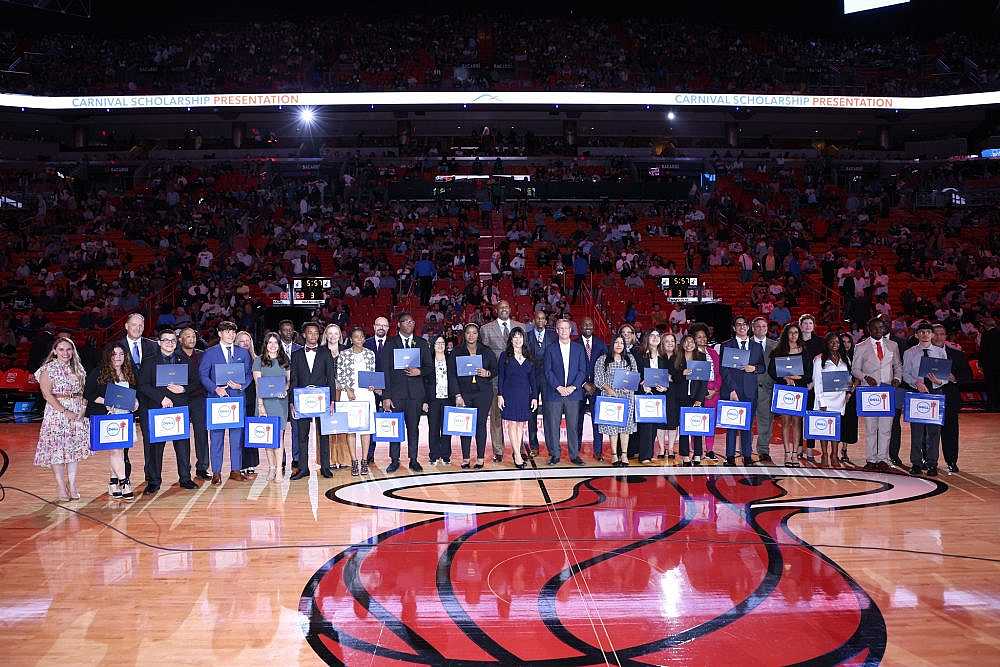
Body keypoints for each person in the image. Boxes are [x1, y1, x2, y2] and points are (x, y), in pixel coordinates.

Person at [138, 329, 196, 494]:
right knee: (156, 448)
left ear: (176, 342)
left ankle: (185, 478)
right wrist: (161, 398)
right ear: (159, 342)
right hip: (158, 409)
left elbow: (195, 383)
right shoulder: (149, 361)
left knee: (183, 446)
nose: (169, 343)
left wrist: (183, 389)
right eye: (166, 340)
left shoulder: (183, 359)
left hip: (179, 410)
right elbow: (143, 385)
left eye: (172, 340)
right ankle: (154, 481)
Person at [198, 320, 254, 485]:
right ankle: (216, 472)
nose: (230, 334)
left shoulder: (243, 353)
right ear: (219, 334)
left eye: (232, 332)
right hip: (217, 400)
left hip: (237, 399)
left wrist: (242, 385)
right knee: (216, 437)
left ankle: (235, 470)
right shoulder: (209, 352)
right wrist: (215, 389)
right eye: (227, 331)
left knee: (237, 437)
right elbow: (203, 375)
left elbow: (250, 374)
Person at [34, 337, 90, 502]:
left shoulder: (78, 368)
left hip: (77, 411)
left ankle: (72, 484)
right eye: (61, 349)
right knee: (57, 451)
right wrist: (65, 411)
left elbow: (86, 391)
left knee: (73, 451)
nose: (65, 353)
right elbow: (46, 394)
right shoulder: (47, 369)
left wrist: (83, 409)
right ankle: (61, 486)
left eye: (68, 349)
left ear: (73, 351)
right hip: (57, 414)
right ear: (54, 351)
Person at [84, 343, 139, 500]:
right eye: (114, 354)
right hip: (107, 416)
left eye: (121, 354)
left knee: (119, 451)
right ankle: (124, 482)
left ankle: (113, 483)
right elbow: (88, 393)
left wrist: (136, 403)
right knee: (116, 450)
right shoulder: (99, 372)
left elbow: (135, 393)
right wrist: (106, 402)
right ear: (108, 356)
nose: (118, 357)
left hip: (125, 416)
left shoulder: (129, 372)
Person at [381, 312, 432, 473]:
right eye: (406, 321)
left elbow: (429, 368)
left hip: (416, 394)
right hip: (396, 394)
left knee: (413, 428)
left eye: (412, 321)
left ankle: (414, 459)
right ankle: (394, 460)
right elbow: (385, 371)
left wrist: (419, 371)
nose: (410, 324)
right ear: (398, 324)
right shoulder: (390, 343)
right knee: (394, 428)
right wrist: (386, 396)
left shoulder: (422, 343)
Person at [851, 317, 902, 472]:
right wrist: (865, 377)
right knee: (871, 427)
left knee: (886, 428)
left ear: (884, 328)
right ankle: (871, 459)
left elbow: (898, 366)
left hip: (887, 391)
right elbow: (854, 369)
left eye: (881, 327)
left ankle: (883, 459)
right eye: (874, 328)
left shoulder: (893, 345)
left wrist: (897, 379)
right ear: (869, 329)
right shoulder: (860, 347)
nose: (878, 330)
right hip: (869, 392)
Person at [289, 321, 337, 479]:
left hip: (322, 399)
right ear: (304, 334)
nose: (313, 336)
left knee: (324, 434)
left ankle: (325, 467)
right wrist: (292, 402)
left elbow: (330, 378)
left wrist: (332, 401)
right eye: (310, 332)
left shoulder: (326, 352)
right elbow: (293, 380)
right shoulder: (296, 355)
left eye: (316, 333)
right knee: (302, 435)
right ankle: (303, 468)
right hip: (302, 401)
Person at [902, 322, 949, 476]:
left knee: (934, 431)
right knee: (917, 431)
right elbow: (905, 374)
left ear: (932, 334)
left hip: (935, 393)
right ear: (916, 335)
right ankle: (916, 463)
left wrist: (939, 381)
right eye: (921, 332)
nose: (925, 334)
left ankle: (932, 464)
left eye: (928, 331)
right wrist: (916, 383)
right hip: (917, 393)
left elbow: (945, 374)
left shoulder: (940, 352)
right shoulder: (909, 352)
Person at [451, 323, 499, 469]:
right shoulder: (457, 351)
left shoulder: (486, 351)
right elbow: (452, 375)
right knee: (465, 427)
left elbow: (495, 370)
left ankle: (480, 458)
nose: (471, 336)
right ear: (464, 335)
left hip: (483, 393)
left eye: (474, 333)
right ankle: (466, 458)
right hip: (464, 394)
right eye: (468, 333)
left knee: (480, 425)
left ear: (478, 335)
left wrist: (487, 373)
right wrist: (457, 395)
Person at [480, 300, 523, 462]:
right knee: (497, 417)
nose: (504, 309)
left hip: (518, 381)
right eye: (501, 307)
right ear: (496, 310)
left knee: (517, 418)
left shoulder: (521, 327)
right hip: (495, 380)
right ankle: (498, 450)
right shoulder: (486, 329)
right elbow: (483, 355)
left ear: (510, 309)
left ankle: (517, 450)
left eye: (506, 306)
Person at [720, 316, 765, 466]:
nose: (742, 327)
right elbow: (724, 370)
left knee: (747, 425)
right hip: (732, 391)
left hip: (750, 391)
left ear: (748, 327)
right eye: (738, 325)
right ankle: (730, 457)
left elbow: (762, 367)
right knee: (731, 425)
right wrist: (732, 390)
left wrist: (755, 368)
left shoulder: (757, 346)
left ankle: (747, 456)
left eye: (745, 324)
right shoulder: (727, 345)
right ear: (734, 328)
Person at [542, 318, 587, 465]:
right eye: (560, 328)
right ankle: (555, 454)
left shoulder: (579, 348)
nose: (563, 331)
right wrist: (559, 387)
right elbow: (547, 371)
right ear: (556, 330)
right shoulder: (550, 348)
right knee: (553, 425)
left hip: (573, 393)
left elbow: (582, 371)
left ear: (570, 330)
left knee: (573, 425)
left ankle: (574, 455)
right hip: (555, 393)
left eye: (565, 328)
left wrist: (573, 387)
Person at [118, 313, 157, 485]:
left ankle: (151, 477)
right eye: (134, 325)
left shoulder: (153, 346)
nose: (138, 328)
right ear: (127, 326)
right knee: (123, 440)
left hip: (149, 397)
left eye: (141, 325)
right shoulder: (116, 346)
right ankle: (123, 477)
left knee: (150, 439)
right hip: (125, 397)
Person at [768, 323, 811, 467]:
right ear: (786, 334)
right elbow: (772, 371)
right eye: (791, 333)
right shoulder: (778, 351)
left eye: (796, 333)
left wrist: (798, 378)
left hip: (799, 390)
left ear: (799, 335)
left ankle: (795, 454)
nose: (793, 335)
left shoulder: (804, 351)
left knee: (797, 422)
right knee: (786, 422)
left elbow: (809, 373)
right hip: (784, 390)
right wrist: (785, 378)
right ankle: (787, 454)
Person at [337, 326, 377, 476]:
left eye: (361, 337)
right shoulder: (344, 354)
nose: (359, 339)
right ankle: (354, 461)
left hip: (366, 394)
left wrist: (373, 385)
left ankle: (364, 460)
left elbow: (372, 374)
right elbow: (339, 376)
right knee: (351, 428)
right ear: (351, 339)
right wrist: (347, 389)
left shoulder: (370, 354)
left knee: (366, 429)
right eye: (356, 337)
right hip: (349, 395)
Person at [594, 334, 639, 466]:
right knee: (612, 427)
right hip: (610, 398)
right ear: (612, 344)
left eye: (621, 342)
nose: (619, 345)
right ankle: (614, 455)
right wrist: (608, 389)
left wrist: (629, 387)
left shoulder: (630, 359)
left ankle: (624, 455)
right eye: (616, 342)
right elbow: (598, 378)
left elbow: (634, 375)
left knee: (625, 427)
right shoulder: (603, 359)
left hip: (627, 397)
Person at [932, 324, 971, 473]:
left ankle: (951, 461)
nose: (939, 337)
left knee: (951, 432)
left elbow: (967, 375)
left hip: (950, 398)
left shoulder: (957, 354)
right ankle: (929, 462)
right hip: (930, 398)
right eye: (936, 334)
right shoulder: (923, 354)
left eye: (942, 334)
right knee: (929, 432)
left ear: (946, 336)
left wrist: (955, 378)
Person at [252, 332, 291, 481]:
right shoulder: (259, 361)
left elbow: (288, 381)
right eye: (270, 343)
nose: (273, 345)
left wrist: (285, 389)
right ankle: (271, 468)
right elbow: (258, 385)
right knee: (268, 439)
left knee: (279, 438)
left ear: (279, 344)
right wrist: (261, 406)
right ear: (266, 344)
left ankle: (280, 471)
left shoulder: (284, 359)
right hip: (265, 403)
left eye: (275, 342)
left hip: (280, 404)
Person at [812, 332, 853, 468]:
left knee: (835, 428)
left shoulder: (845, 358)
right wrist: (821, 402)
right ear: (826, 343)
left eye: (837, 342)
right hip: (824, 398)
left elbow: (848, 378)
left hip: (840, 399)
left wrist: (848, 392)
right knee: (825, 428)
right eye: (831, 342)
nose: (835, 344)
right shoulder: (819, 359)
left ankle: (834, 454)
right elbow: (817, 382)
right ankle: (824, 454)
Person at [497, 327, 535, 469]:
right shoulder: (504, 356)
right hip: (509, 394)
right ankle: (517, 455)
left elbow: (533, 379)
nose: (518, 340)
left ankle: (517, 451)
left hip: (524, 395)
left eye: (520, 337)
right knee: (512, 424)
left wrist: (534, 397)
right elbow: (501, 377)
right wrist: (500, 395)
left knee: (520, 424)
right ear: (511, 339)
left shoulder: (529, 356)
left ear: (524, 339)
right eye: (515, 337)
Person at [670, 334, 708, 466]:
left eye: (691, 341)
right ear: (682, 344)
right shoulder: (677, 357)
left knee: (697, 427)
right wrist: (682, 373)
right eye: (686, 342)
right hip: (681, 398)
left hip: (696, 398)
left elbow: (704, 381)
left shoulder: (701, 357)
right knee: (684, 428)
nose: (689, 344)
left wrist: (699, 399)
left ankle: (697, 454)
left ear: (695, 343)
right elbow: (673, 377)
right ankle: (685, 455)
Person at [178, 327, 210, 480]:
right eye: (187, 336)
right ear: (180, 339)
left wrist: (185, 388)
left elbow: (204, 379)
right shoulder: (174, 356)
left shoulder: (203, 355)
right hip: (180, 400)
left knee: (201, 433)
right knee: (182, 437)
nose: (191, 339)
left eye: (193, 336)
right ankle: (185, 471)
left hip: (199, 398)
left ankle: (202, 467)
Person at [524, 309, 556, 454]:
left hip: (549, 379)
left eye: (543, 318)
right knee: (532, 412)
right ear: (534, 320)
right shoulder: (527, 336)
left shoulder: (553, 336)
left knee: (549, 413)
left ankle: (551, 447)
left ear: (546, 321)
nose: (541, 321)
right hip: (532, 378)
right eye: (538, 318)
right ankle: (534, 445)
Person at [689, 323, 722, 460]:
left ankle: (709, 449)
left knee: (710, 422)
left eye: (704, 336)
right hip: (697, 392)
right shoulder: (691, 354)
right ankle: (696, 450)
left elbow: (718, 373)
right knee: (695, 421)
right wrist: (703, 390)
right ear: (694, 339)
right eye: (699, 337)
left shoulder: (713, 352)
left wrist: (715, 389)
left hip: (713, 391)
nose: (702, 339)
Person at [321, 324, 351, 470]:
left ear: (340, 336)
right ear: (326, 335)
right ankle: (329, 459)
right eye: (330, 333)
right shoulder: (320, 351)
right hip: (325, 393)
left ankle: (345, 458)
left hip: (342, 392)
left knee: (343, 425)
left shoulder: (346, 351)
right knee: (327, 425)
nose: (333, 336)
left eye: (336, 334)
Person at [577, 317, 608, 461]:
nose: (588, 326)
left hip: (597, 389)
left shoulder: (601, 345)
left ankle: (597, 451)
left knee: (597, 421)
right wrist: (584, 383)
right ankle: (575, 450)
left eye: (590, 324)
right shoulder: (574, 344)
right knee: (577, 421)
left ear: (593, 327)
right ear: (580, 327)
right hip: (579, 388)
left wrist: (595, 383)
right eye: (585, 324)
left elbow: (605, 367)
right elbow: (572, 367)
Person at [362, 315, 391, 463]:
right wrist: (373, 387)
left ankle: (394, 457)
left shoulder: (394, 344)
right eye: (378, 325)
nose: (381, 327)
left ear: (388, 328)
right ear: (373, 326)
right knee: (370, 422)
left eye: (384, 325)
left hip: (389, 390)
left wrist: (385, 390)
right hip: (370, 389)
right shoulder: (365, 344)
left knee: (392, 422)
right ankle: (369, 454)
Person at [424, 335, 456, 467]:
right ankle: (434, 455)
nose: (440, 345)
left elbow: (454, 378)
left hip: (448, 398)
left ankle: (446, 455)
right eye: (437, 343)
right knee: (434, 428)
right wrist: (424, 401)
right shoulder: (428, 360)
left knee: (447, 429)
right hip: (433, 399)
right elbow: (424, 382)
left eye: (442, 343)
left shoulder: (450, 359)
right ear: (432, 345)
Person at [751, 316, 778, 463]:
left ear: (767, 329)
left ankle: (763, 450)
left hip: (767, 389)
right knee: (747, 421)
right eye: (758, 326)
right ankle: (746, 450)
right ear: (753, 328)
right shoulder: (746, 344)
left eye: (763, 326)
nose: (761, 329)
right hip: (748, 388)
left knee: (765, 422)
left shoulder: (776, 345)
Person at [277, 319, 303, 471]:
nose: (288, 332)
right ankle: (282, 458)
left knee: (297, 428)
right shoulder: (272, 349)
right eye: (285, 329)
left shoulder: (300, 349)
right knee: (280, 428)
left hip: (296, 393)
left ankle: (297, 458)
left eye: (290, 329)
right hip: (279, 394)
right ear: (280, 332)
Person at [235, 330, 259, 477]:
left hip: (253, 399)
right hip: (238, 398)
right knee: (240, 432)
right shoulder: (233, 359)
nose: (245, 343)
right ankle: (241, 464)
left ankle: (251, 463)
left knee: (252, 431)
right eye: (242, 341)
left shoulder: (257, 359)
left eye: (247, 340)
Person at [837, 333, 860, 464]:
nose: (846, 344)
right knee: (838, 422)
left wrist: (850, 392)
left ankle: (844, 449)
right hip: (836, 394)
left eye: (848, 342)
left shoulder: (855, 357)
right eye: (843, 341)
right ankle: (833, 450)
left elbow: (857, 377)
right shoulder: (835, 357)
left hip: (851, 394)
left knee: (849, 423)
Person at [658, 332, 680, 458]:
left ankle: (671, 449)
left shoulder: (679, 357)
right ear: (662, 343)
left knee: (672, 422)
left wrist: (671, 378)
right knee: (660, 422)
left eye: (672, 341)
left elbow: (683, 375)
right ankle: (661, 449)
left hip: (674, 393)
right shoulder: (658, 358)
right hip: (659, 392)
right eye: (667, 341)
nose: (670, 343)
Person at [980, 318, 999, 412]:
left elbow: (983, 351)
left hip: (989, 365)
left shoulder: (986, 335)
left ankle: (992, 405)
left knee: (991, 386)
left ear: (985, 325)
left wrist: (981, 363)